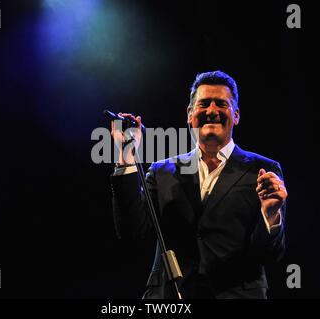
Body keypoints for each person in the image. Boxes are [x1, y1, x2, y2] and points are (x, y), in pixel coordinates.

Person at [110, 70, 287, 299]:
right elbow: (132, 235)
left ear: (236, 115)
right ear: (190, 114)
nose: (212, 111)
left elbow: (272, 256)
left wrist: (270, 215)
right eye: (204, 104)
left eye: (221, 104)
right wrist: (125, 157)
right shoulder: (161, 171)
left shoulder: (262, 170)